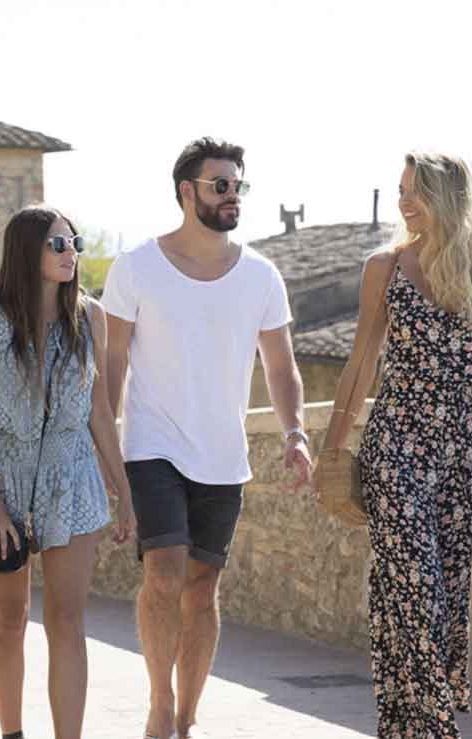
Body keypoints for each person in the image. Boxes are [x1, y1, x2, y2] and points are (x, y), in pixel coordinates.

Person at [314, 152, 472, 738]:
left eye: (414, 192)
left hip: (465, 445)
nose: (403, 203)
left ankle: (403, 722)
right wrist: (331, 451)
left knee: (445, 583)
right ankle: (432, 724)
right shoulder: (386, 267)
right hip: (397, 437)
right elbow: (361, 362)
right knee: (414, 581)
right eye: (400, 191)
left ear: (447, 196)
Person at [102, 137, 313, 739]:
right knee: (164, 574)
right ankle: (160, 706)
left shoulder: (260, 276)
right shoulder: (136, 267)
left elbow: (281, 367)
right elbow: (113, 365)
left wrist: (295, 431)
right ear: (185, 192)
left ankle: (188, 718)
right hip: (151, 448)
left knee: (202, 587)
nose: (231, 195)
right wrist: (108, 451)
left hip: (223, 456)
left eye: (237, 185)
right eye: (220, 184)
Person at [0, 205, 136, 739]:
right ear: (26, 252)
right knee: (9, 620)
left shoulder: (92, 316)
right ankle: (11, 732)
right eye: (57, 244)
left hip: (73, 478)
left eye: (74, 243)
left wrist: (124, 494)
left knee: (66, 621)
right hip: (4, 482)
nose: (70, 254)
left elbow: (100, 411)